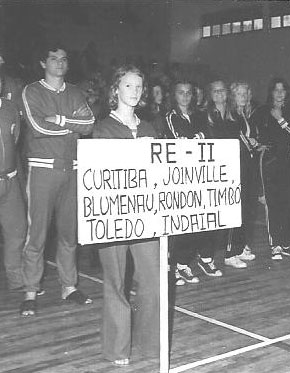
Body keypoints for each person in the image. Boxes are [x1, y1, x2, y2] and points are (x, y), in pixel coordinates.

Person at [93, 65, 160, 367]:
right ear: (116, 90)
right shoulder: (103, 128)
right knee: (116, 281)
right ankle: (118, 348)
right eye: (128, 86)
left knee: (152, 278)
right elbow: (102, 174)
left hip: (145, 213)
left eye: (139, 87)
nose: (134, 92)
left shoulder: (149, 128)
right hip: (114, 215)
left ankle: (150, 342)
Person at [20, 43, 94, 316]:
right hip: (42, 169)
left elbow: (88, 124)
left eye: (64, 59)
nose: (60, 63)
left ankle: (69, 286)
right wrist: (70, 125)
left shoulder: (74, 91)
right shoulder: (32, 90)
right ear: (43, 63)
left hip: (72, 168)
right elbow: (37, 126)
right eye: (53, 59)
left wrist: (60, 119)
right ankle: (30, 290)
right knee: (36, 234)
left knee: (68, 233)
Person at [165, 80, 222, 284]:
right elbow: (178, 140)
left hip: (200, 174)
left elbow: (208, 135)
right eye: (181, 92)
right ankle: (179, 265)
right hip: (180, 176)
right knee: (183, 224)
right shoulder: (170, 117)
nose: (185, 96)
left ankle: (199, 259)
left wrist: (196, 137)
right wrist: (196, 138)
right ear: (174, 95)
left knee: (203, 220)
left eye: (189, 92)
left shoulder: (199, 115)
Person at [252, 77, 290, 260]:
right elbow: (250, 131)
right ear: (271, 92)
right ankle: (275, 244)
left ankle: (288, 243)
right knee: (274, 204)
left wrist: (280, 119)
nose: (280, 93)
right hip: (270, 162)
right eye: (276, 90)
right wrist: (256, 143)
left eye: (283, 89)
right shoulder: (261, 110)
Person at [224, 81, 258, 268]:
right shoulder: (231, 116)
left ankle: (241, 246)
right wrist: (251, 143)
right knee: (236, 209)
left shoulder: (246, 115)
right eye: (239, 94)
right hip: (237, 165)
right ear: (232, 96)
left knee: (247, 208)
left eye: (246, 94)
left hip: (248, 165)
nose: (243, 97)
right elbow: (238, 138)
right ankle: (230, 252)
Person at [0, 75, 27, 292]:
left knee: (17, 230)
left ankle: (16, 279)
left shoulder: (10, 108)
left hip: (9, 179)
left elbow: (15, 139)